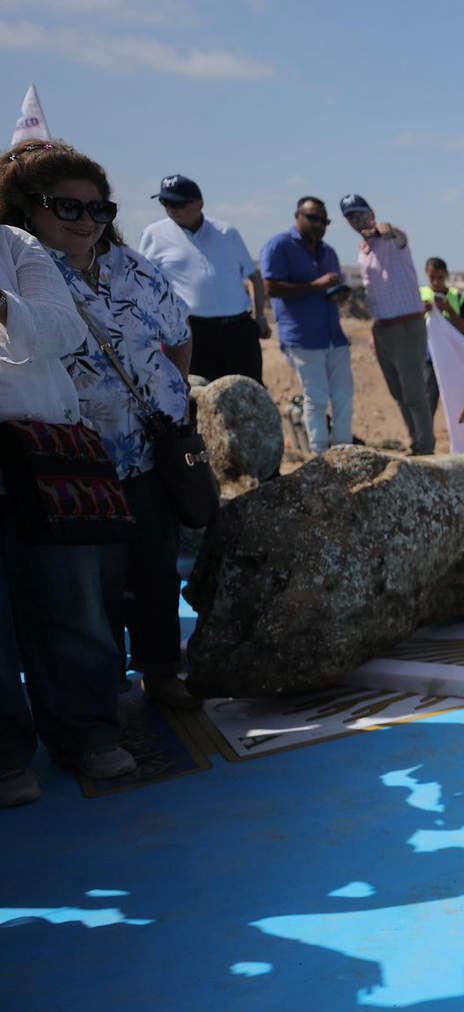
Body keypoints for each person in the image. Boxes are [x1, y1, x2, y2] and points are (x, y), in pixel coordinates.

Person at [6, 144, 200, 714]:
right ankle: (103, 695)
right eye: (69, 208)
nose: (88, 221)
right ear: (26, 209)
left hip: (146, 454)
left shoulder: (134, 269)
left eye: (99, 209)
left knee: (156, 573)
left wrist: (171, 399)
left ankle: (163, 672)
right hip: (69, 464)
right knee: (91, 591)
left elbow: (179, 335)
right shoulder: (22, 275)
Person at [0, 213, 134, 793]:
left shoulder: (14, 244)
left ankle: (89, 733)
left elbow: (63, 330)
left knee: (73, 602)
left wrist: (3, 308)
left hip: (37, 446)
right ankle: (6, 756)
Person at [137, 173, 268, 384]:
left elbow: (254, 276)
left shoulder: (227, 232)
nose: (172, 208)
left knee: (249, 395)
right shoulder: (153, 234)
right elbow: (143, 284)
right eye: (165, 202)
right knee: (196, 398)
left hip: (239, 330)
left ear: (199, 203)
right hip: (192, 333)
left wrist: (260, 316)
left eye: (178, 203)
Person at [342, 194, 434, 455]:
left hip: (407, 325)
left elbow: (399, 236)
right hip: (383, 328)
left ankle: (425, 447)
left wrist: (388, 229)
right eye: (351, 217)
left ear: (372, 212)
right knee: (397, 391)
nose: (357, 220)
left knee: (414, 390)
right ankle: (416, 440)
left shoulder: (392, 241)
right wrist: (375, 330)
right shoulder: (363, 253)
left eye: (361, 214)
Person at [262, 197, 352, 454]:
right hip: (302, 336)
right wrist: (315, 285)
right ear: (297, 216)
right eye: (313, 218)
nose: (319, 224)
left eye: (324, 220)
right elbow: (271, 287)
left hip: (334, 335)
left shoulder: (328, 251)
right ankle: (320, 454)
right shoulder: (280, 245)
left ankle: (345, 450)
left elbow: (328, 290)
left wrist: (337, 293)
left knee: (344, 396)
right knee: (317, 397)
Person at [419, 256, 464, 418]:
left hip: (455, 359)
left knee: (459, 402)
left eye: (440, 278)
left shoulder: (459, 298)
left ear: (446, 275)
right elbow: (412, 329)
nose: (436, 282)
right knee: (428, 401)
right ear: (426, 275)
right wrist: (422, 312)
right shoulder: (419, 295)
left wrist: (448, 309)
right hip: (429, 359)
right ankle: (425, 440)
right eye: (432, 278)